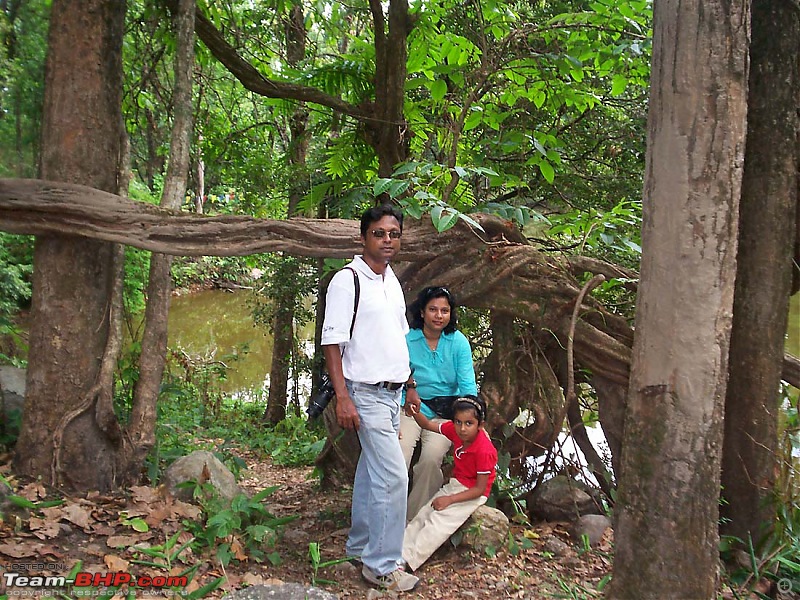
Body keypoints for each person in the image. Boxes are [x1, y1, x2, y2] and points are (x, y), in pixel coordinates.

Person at [320, 204, 419, 592]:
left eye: (393, 233)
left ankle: (360, 545)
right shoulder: (348, 280)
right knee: (394, 478)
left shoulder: (390, 279)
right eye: (379, 233)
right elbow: (332, 342)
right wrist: (342, 397)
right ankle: (381, 565)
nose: (387, 240)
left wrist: (409, 383)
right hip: (364, 393)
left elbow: (396, 337)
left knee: (370, 473)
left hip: (392, 394)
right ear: (363, 237)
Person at [400, 286, 478, 520]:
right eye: (433, 309)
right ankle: (385, 520)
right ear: (422, 312)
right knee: (399, 457)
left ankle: (411, 522)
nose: (439, 315)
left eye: (444, 310)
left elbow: (467, 387)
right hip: (410, 408)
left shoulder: (458, 342)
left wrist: (473, 421)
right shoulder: (406, 339)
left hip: (444, 413)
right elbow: (392, 373)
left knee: (430, 460)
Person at [401, 396, 497, 571]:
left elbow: (480, 489)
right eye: (458, 422)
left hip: (472, 493)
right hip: (456, 484)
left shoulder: (484, 450)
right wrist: (415, 412)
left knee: (438, 522)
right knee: (424, 514)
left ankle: (408, 561)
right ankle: (398, 551)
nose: (462, 428)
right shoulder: (454, 430)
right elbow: (427, 425)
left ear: (480, 425)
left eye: (469, 423)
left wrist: (450, 499)